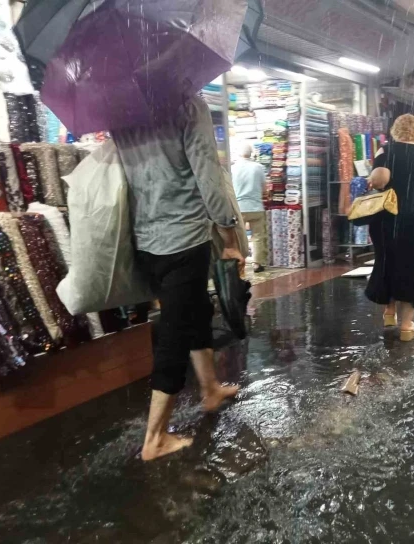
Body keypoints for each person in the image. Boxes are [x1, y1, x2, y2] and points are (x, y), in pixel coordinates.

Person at [113, 96, 242, 462]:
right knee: (173, 332)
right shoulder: (186, 105)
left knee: (194, 310)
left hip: (146, 239)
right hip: (184, 237)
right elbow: (208, 174)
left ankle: (210, 388)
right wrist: (228, 234)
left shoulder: (122, 108)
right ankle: (154, 439)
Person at [365, 114, 414, 341]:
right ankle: (407, 325)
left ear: (395, 130)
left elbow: (379, 181)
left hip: (388, 216)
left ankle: (389, 311)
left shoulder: (385, 151)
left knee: (388, 260)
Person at [232, 143, 268, 273]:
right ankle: (257, 264)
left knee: (238, 236)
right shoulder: (258, 167)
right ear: (251, 153)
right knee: (258, 236)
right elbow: (264, 188)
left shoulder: (233, 168)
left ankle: (239, 261)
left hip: (238, 207)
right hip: (256, 206)